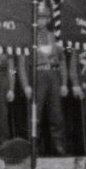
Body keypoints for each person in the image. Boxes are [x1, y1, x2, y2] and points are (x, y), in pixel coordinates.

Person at [27, 26, 67, 156]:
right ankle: (34, 146)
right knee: (35, 114)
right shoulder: (29, 36)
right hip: (37, 74)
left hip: (54, 74)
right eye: (39, 17)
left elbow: (62, 61)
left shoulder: (55, 36)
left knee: (56, 113)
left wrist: (64, 83)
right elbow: (20, 65)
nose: (41, 21)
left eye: (44, 17)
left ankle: (58, 145)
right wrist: (26, 84)